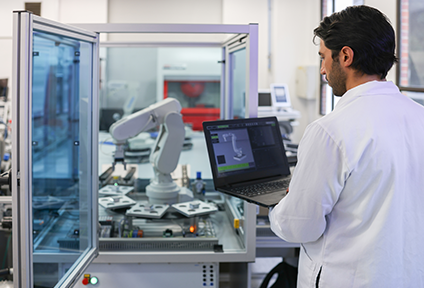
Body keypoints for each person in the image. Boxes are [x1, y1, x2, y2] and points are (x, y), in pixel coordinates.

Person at [269, 5, 424, 288]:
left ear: (346, 56)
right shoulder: (420, 118)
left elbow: (299, 225)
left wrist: (278, 207)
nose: (322, 70)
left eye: (324, 58)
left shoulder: (330, 132)